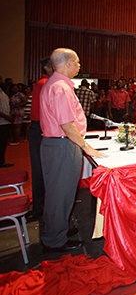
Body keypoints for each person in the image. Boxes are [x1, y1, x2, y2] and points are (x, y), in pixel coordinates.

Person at [39, 48, 106, 253]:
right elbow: (67, 125)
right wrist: (86, 147)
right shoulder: (61, 87)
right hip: (62, 145)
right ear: (67, 63)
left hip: (58, 144)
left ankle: (57, 230)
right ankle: (54, 240)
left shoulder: (56, 84)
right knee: (60, 194)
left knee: (60, 193)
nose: (79, 66)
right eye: (77, 62)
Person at [27, 57, 53, 218]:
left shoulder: (44, 83)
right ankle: (40, 209)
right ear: (48, 67)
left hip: (39, 128)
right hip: (40, 129)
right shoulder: (46, 84)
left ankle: (42, 208)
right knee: (42, 171)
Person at [0, 83, 12, 168]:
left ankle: (2, 161)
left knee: (3, 143)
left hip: (5, 122)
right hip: (1, 122)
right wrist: (7, 117)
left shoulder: (3, 93)